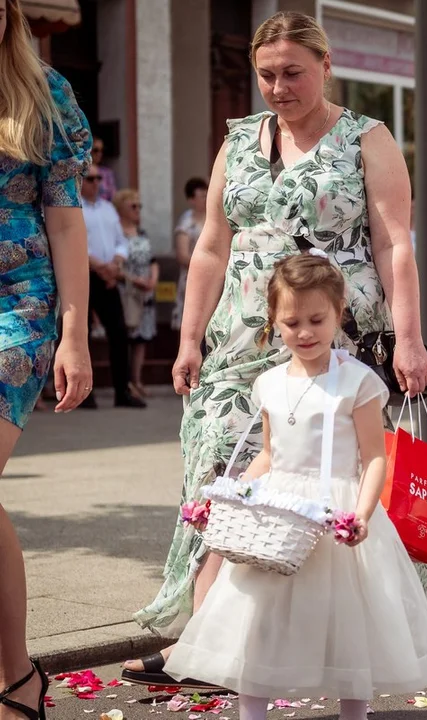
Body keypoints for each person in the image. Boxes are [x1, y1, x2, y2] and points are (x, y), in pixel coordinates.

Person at [123, 11, 427, 686]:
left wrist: (408, 339)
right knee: (223, 479)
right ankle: (204, 644)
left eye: (292, 72)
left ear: (325, 67)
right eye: (266, 74)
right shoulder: (237, 140)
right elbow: (211, 244)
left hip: (332, 334)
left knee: (334, 486)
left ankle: (352, 641)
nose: (277, 86)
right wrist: (187, 338)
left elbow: (395, 243)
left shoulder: (365, 137)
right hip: (240, 334)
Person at [164, 252, 427, 718]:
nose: (304, 332)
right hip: (279, 516)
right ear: (274, 322)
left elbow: (373, 455)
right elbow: (269, 454)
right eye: (291, 321)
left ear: (338, 313)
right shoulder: (270, 383)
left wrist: (361, 512)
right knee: (256, 619)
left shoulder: (357, 382)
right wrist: (235, 497)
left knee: (347, 621)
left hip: (337, 509)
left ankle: (352, 713)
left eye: (317, 319)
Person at [0, 1, 94, 717]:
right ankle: (16, 677)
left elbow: (65, 221)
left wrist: (73, 333)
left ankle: (15, 677)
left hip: (19, 305)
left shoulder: (46, 93)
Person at [80, 165, 146, 409]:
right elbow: (74, 245)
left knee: (118, 333)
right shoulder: (74, 207)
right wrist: (99, 266)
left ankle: (122, 391)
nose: (96, 182)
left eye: (98, 178)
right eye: (90, 178)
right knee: (82, 334)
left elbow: (121, 242)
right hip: (84, 275)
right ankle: (84, 394)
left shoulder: (108, 209)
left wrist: (115, 265)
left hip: (109, 276)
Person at [113, 189, 158, 399]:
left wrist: (152, 280)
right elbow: (117, 264)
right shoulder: (116, 233)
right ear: (121, 208)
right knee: (127, 335)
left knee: (142, 337)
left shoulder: (142, 232)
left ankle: (137, 379)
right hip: (127, 290)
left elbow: (152, 260)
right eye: (133, 206)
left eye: (139, 206)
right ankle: (126, 381)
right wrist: (134, 280)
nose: (137, 210)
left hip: (145, 292)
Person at [172, 177, 208, 331]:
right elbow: (182, 255)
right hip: (193, 276)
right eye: (202, 196)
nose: (206, 199)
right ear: (191, 200)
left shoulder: (213, 218)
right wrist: (206, 264)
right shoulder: (186, 222)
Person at [89, 136, 116, 202]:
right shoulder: (80, 171)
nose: (99, 154)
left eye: (102, 150)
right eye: (96, 150)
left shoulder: (107, 173)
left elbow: (113, 197)